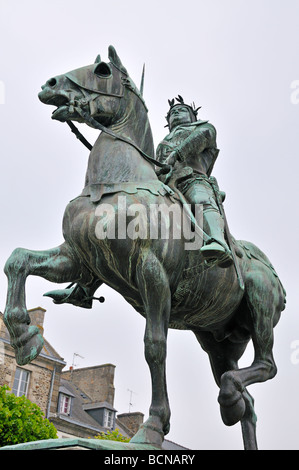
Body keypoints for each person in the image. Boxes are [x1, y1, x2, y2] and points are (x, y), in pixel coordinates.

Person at [156, 96, 232, 267]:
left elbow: (201, 138)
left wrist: (175, 155)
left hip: (191, 179)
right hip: (164, 185)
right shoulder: (162, 144)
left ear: (193, 116)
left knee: (200, 199)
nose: (176, 113)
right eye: (172, 113)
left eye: (182, 110)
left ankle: (218, 241)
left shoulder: (205, 128)